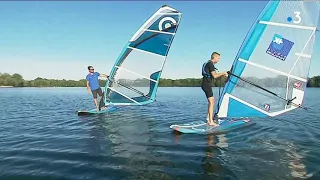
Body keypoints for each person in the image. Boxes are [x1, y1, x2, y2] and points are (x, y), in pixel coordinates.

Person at [201, 52, 228, 126]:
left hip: (205, 84)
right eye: (218, 58)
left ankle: (208, 118)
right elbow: (215, 76)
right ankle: (210, 121)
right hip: (206, 85)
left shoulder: (207, 63)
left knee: (211, 101)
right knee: (212, 101)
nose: (219, 60)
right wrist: (223, 73)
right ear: (214, 57)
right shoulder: (210, 64)